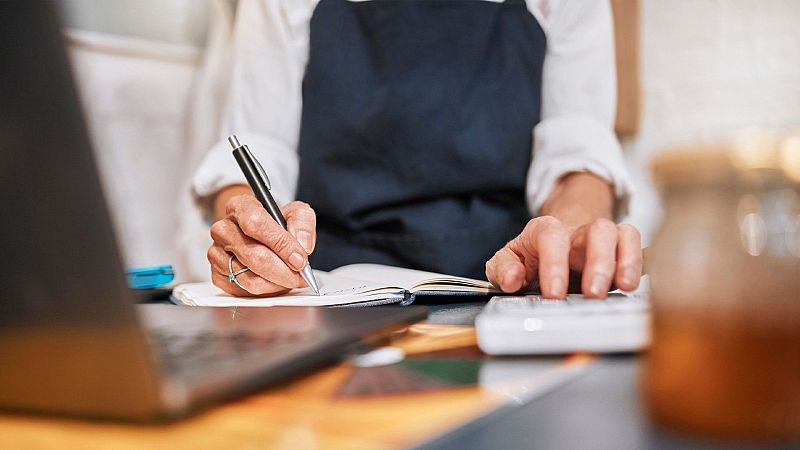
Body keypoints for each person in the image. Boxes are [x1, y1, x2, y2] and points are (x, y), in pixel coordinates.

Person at [192, 0, 643, 300]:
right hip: (328, 289)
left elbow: (577, 148)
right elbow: (259, 144)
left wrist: (567, 235)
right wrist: (251, 234)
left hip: (504, 281)